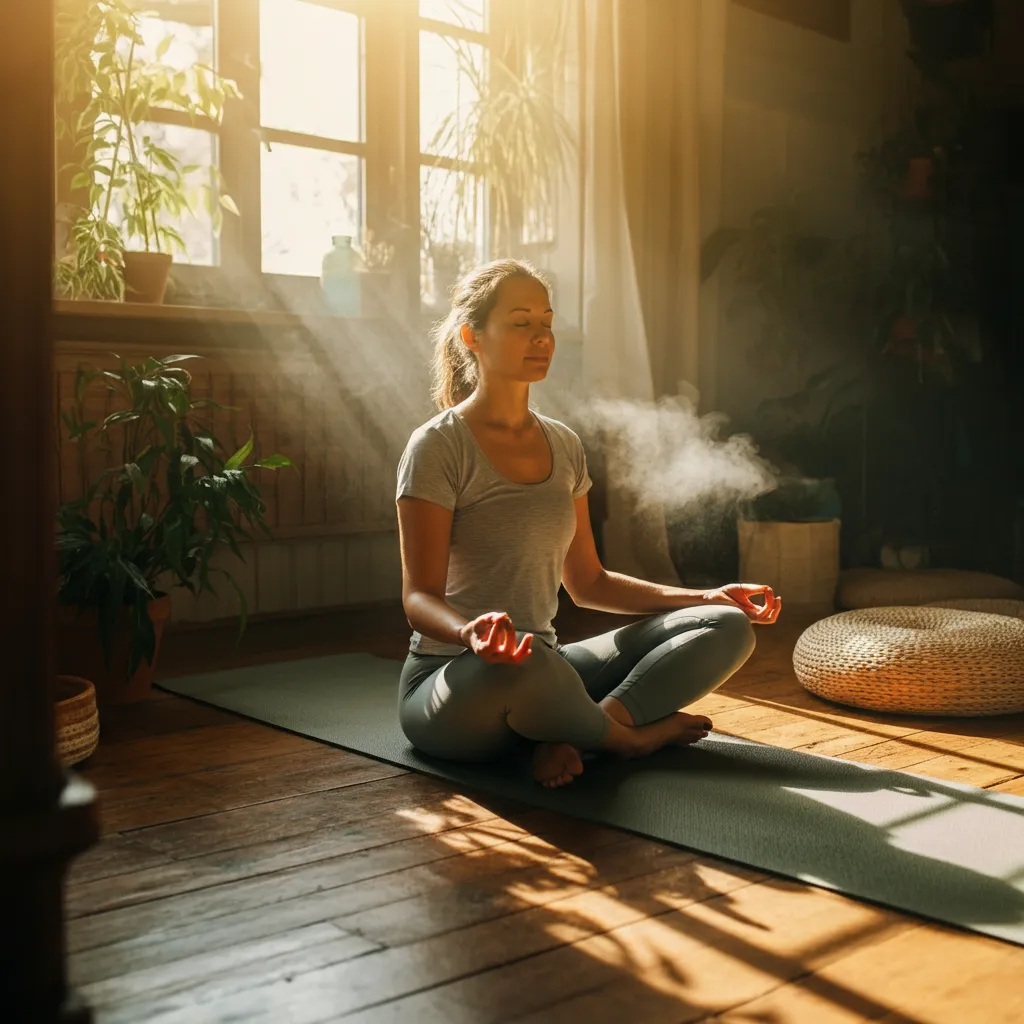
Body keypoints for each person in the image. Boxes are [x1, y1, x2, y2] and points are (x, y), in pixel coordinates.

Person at [396, 258, 782, 788]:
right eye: (521, 322)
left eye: (546, 323)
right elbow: (418, 598)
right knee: (527, 659)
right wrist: (470, 632)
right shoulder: (437, 446)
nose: (541, 337)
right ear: (472, 336)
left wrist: (709, 596)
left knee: (726, 625)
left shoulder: (564, 445)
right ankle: (627, 739)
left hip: (548, 671)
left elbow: (589, 583)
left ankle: (572, 732)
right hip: (452, 686)